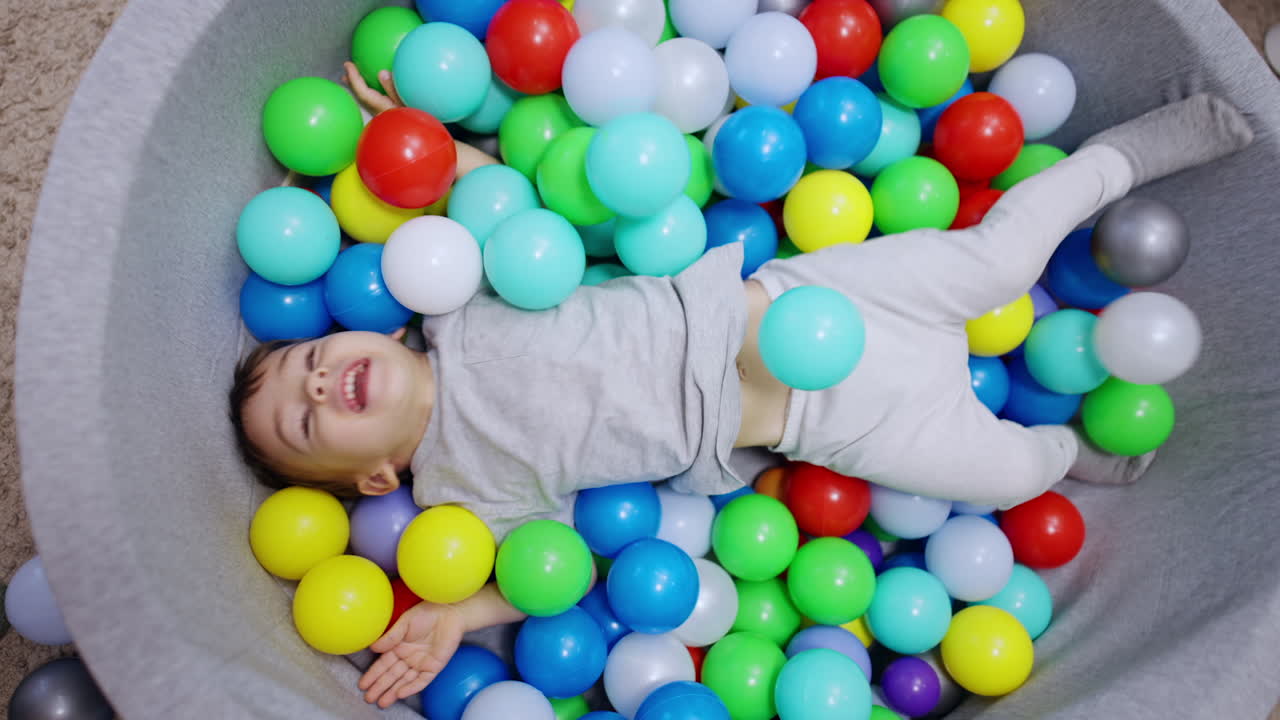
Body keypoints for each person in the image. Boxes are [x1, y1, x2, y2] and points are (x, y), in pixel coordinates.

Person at [229, 63, 1254, 707]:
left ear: (369, 331)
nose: (317, 383)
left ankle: (1122, 159)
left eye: (307, 362)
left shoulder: (448, 300)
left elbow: (480, 188)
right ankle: (1069, 451)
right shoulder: (460, 491)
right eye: (303, 421)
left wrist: (406, 142)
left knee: (996, 261)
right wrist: (458, 617)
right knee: (1003, 476)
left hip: (807, 301)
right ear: (374, 479)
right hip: (825, 416)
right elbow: (544, 570)